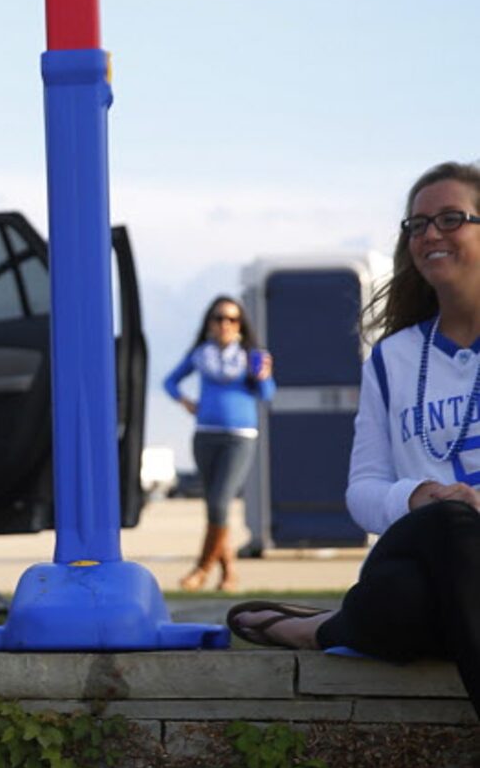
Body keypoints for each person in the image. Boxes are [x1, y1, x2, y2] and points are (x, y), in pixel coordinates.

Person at [227, 161, 480, 722]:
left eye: (450, 218)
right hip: (419, 544)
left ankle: (318, 629)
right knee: (450, 527)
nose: (430, 234)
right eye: (416, 225)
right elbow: (363, 492)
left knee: (402, 607)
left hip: (425, 594)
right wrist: (419, 498)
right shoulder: (393, 358)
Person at [163, 296, 276, 591]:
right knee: (215, 508)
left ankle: (201, 569)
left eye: (231, 319)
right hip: (205, 435)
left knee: (220, 501)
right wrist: (185, 402)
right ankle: (229, 574)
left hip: (239, 437)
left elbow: (266, 394)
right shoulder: (200, 354)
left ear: (240, 325)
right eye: (219, 318)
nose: (224, 324)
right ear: (209, 323)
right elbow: (169, 381)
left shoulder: (252, 355)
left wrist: (263, 376)